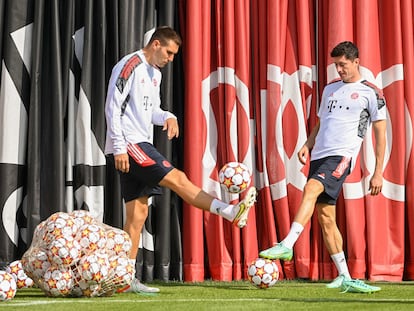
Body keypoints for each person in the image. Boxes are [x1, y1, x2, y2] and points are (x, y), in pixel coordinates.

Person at [105, 26, 257, 294]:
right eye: (169, 52)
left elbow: (153, 111)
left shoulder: (156, 74)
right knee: (178, 179)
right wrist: (118, 147)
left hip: (140, 142)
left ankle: (124, 278)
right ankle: (230, 211)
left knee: (137, 216)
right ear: (155, 44)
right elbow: (112, 105)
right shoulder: (130, 65)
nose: (171, 59)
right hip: (130, 144)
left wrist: (168, 116)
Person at [259, 41, 386, 293]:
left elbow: (381, 134)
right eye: (336, 65)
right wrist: (307, 143)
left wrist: (378, 171)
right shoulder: (330, 89)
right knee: (326, 218)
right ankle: (346, 277)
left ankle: (287, 243)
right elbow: (321, 121)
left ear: (356, 62)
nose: (339, 70)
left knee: (311, 188)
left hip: (342, 156)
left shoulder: (371, 92)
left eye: (343, 65)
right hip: (320, 155)